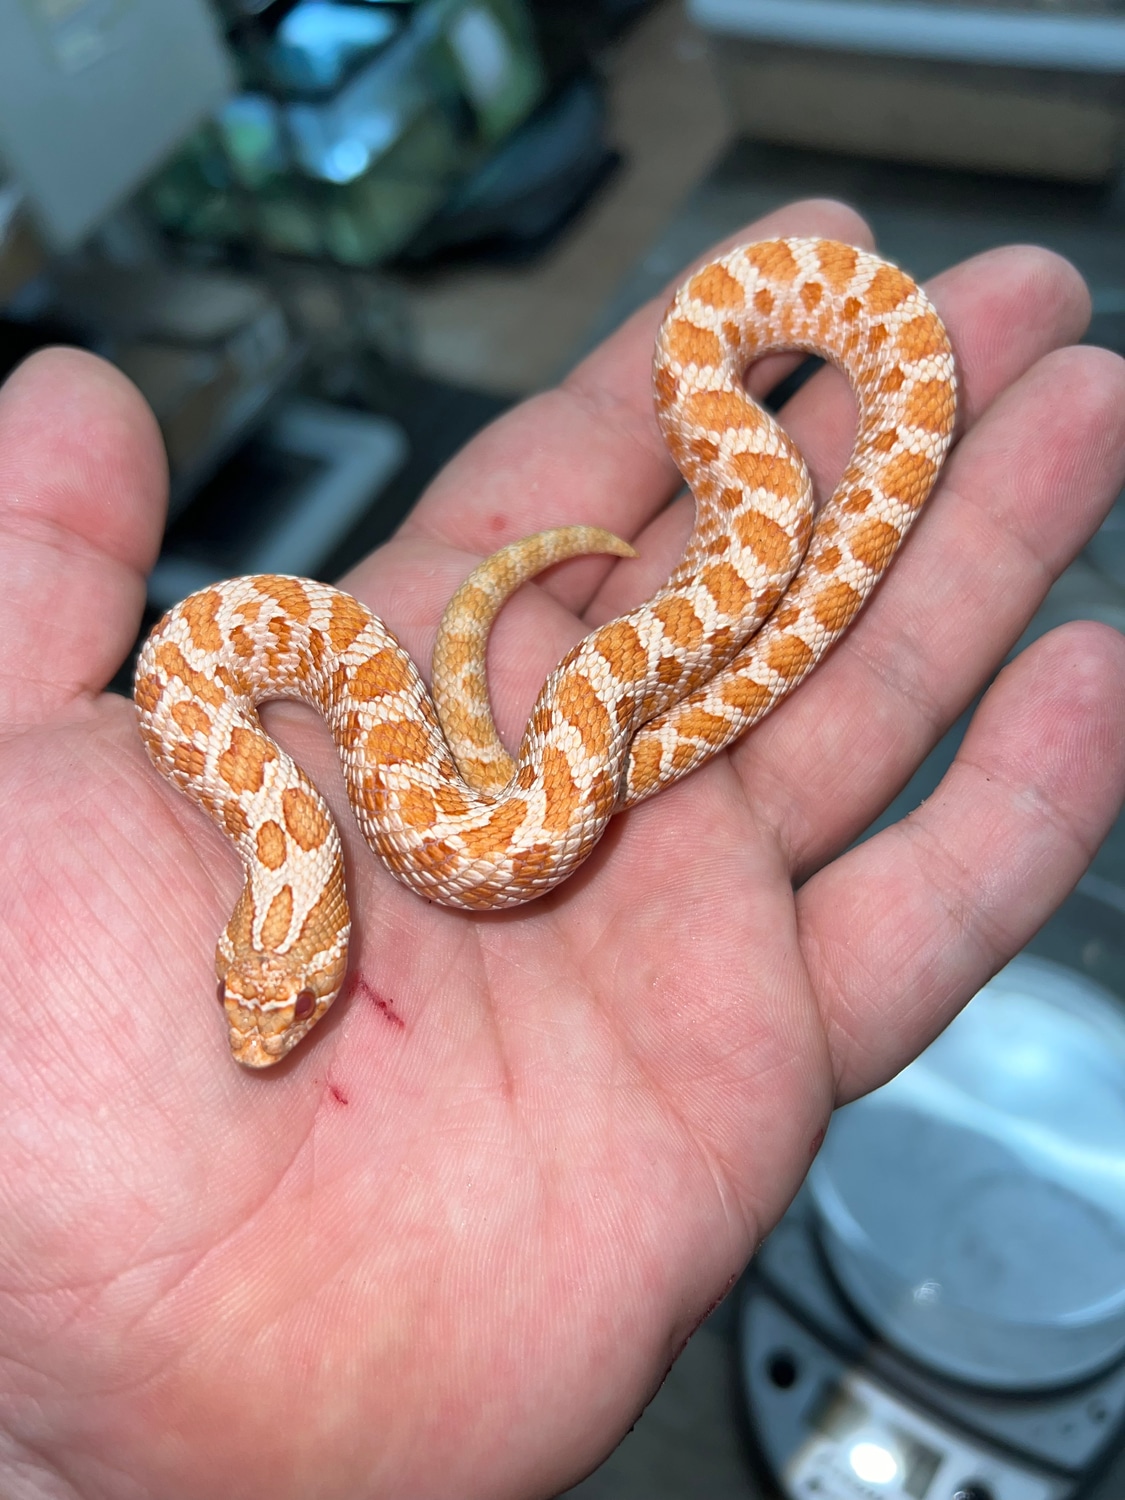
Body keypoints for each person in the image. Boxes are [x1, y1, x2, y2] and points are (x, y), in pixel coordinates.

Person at [0, 199, 1122, 1500]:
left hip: (602, 640)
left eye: (288, 997)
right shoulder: (226, 722)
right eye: (274, 999)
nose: (274, 1032)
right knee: (630, 690)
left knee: (713, 587)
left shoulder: (292, 766)